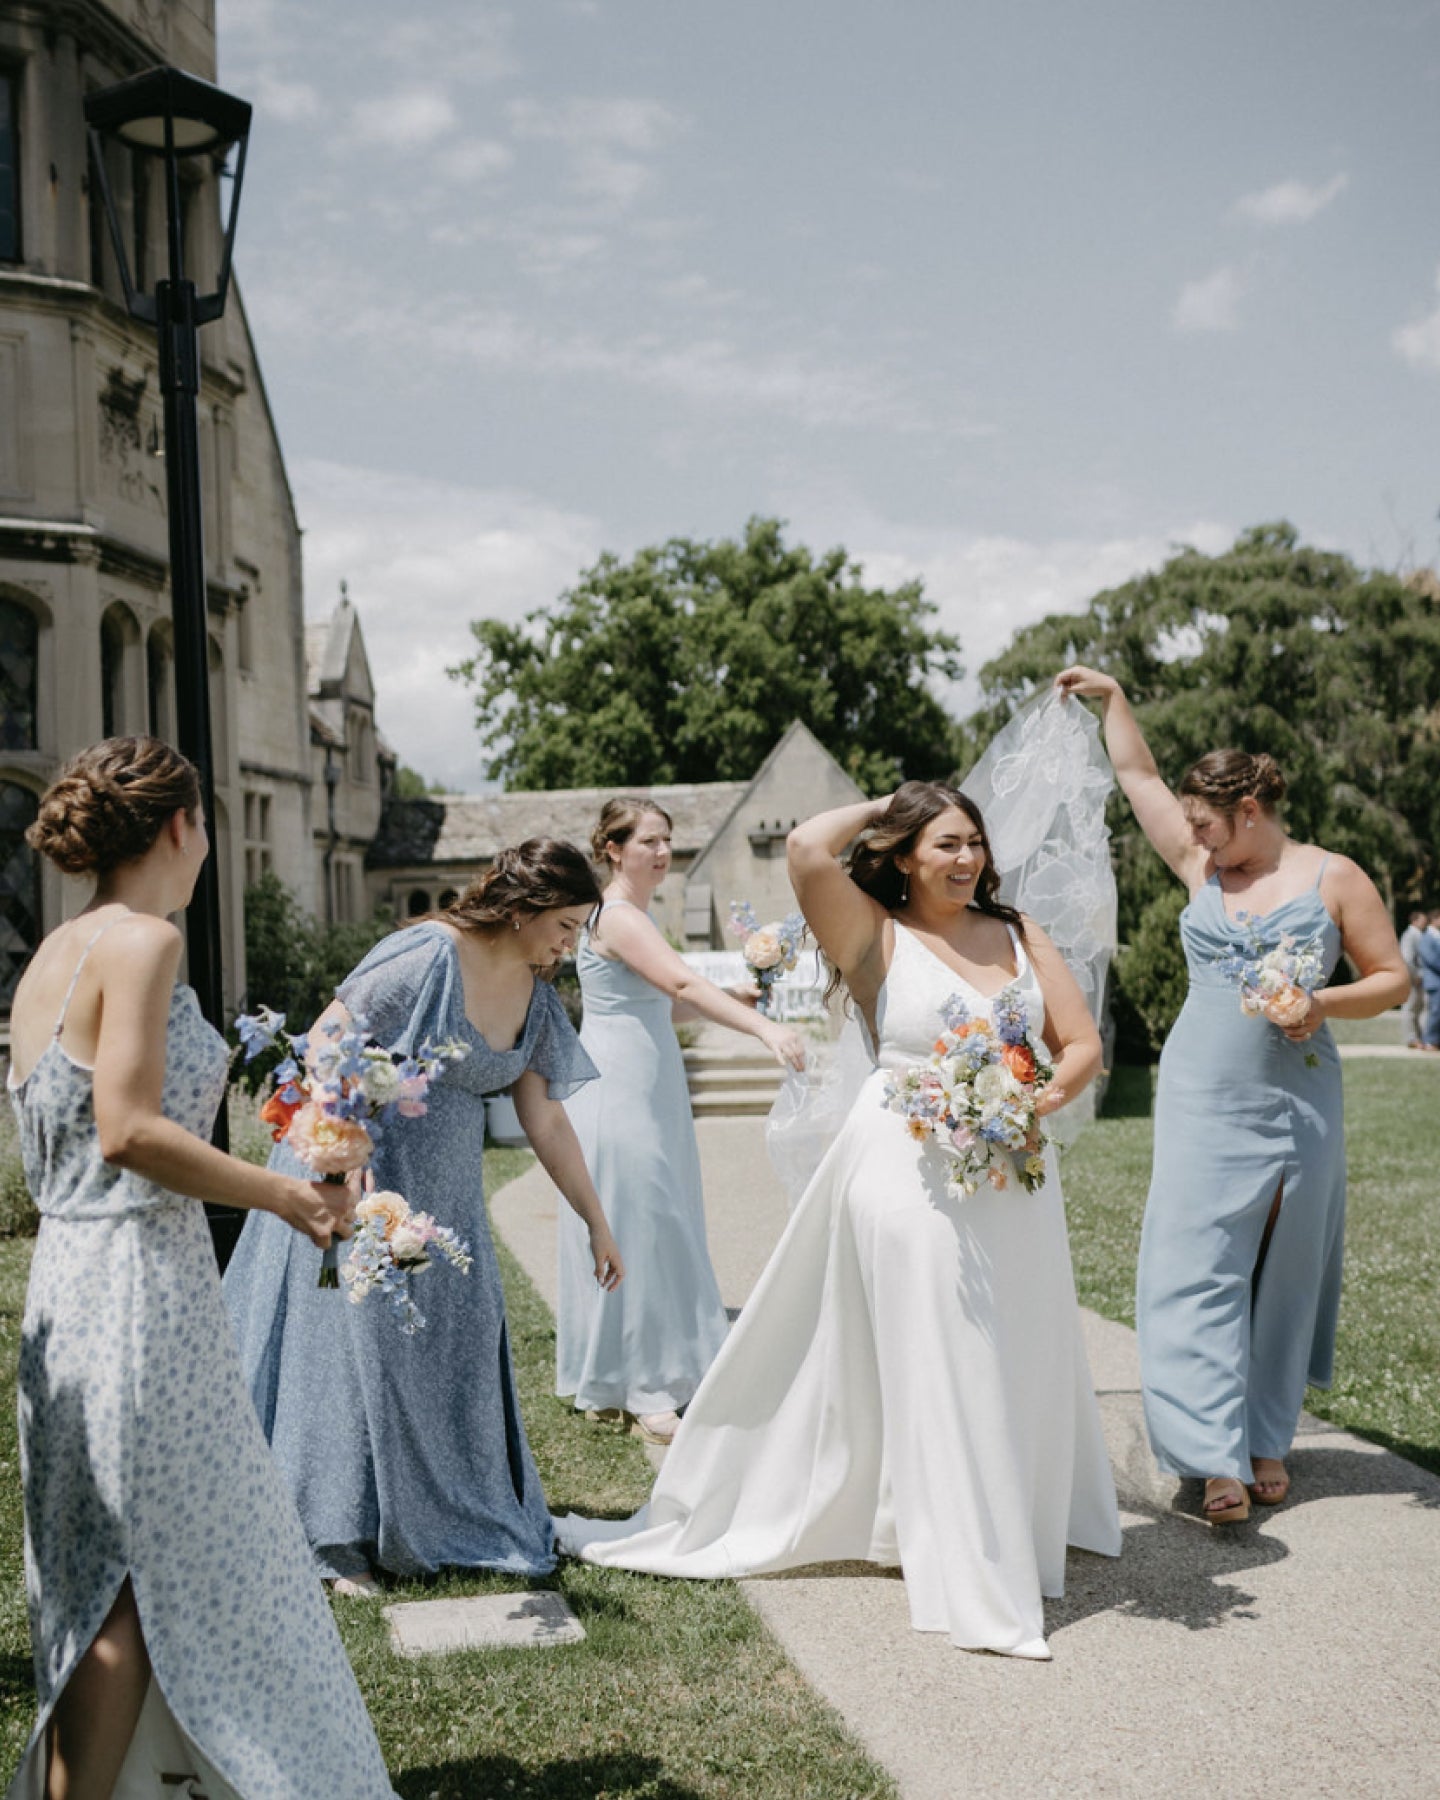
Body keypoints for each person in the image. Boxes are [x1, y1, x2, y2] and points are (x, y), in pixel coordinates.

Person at [556, 782, 1121, 1660]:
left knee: (1013, 1343)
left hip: (1011, 1168)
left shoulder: (1018, 934)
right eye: (943, 844)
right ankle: (972, 1568)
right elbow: (807, 850)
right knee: (946, 1344)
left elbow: (1078, 1041)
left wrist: (1034, 1100)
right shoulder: (874, 934)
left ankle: (956, 1512)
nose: (965, 859)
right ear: (903, 856)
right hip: (903, 1167)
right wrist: (892, 800)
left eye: (972, 841)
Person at [5, 737, 396, 1799]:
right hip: (137, 1289)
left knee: (112, 1575)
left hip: (75, 1285)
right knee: (127, 1592)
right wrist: (284, 1196)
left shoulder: (59, 948)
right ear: (183, 826)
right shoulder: (141, 943)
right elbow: (127, 1130)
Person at [1054, 666, 1409, 1523]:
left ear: (1251, 810)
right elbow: (1138, 778)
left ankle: (1265, 1439)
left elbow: (1392, 980)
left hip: (1297, 1098)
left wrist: (1320, 1001)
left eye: (1211, 826)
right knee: (1193, 1264)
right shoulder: (1198, 865)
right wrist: (1117, 704)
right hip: (1201, 1091)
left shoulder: (1336, 878)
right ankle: (1210, 1455)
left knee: (1284, 1272)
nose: (1200, 843)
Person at [224, 841, 624, 1592]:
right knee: (346, 1350)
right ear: (522, 908)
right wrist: (347, 1153)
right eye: (566, 926)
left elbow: (548, 1121)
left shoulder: (538, 999)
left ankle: (441, 1511)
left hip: (448, 1198)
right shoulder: (425, 957)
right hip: (354, 1168)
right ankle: (332, 1537)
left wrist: (596, 1220)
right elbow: (324, 1046)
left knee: (452, 1344)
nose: (570, 947)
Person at [557, 799, 807, 1444]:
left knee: (654, 1219)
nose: (663, 852)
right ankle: (647, 1388)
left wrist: (739, 997)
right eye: (648, 841)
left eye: (667, 840)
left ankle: (620, 1376)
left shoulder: (634, 916)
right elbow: (685, 988)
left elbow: (661, 1013)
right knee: (643, 1223)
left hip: (650, 1085)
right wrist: (764, 1028)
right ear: (612, 848)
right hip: (618, 1092)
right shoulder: (616, 915)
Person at [1398, 909, 1428, 1047]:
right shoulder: (1410, 935)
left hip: (1418, 979)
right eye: (1422, 919)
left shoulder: (1419, 935)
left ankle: (1418, 1038)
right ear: (1414, 920)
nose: (1425, 922)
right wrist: (1415, 976)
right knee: (1409, 1008)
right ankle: (1411, 1039)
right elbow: (1407, 959)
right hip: (1412, 979)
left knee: (1418, 1009)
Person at [1418, 910, 1440, 1052]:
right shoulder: (1426, 938)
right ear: (1435, 919)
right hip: (1434, 982)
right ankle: (1429, 1041)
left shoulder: (1437, 936)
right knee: (1435, 1012)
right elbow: (1431, 959)